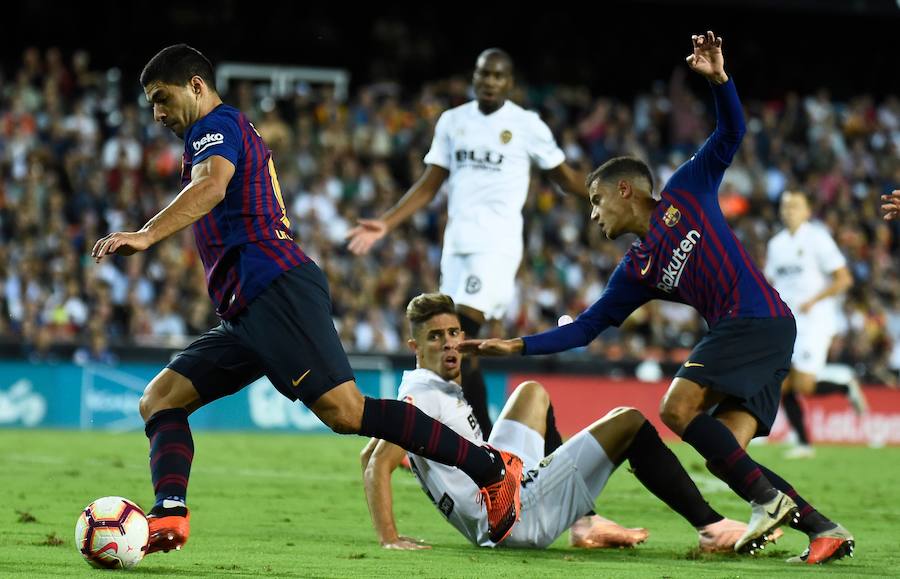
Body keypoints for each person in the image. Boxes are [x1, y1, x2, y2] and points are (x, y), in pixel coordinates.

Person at [89, 44, 523, 554]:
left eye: (162, 99)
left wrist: (145, 234)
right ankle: (169, 515)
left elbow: (211, 187)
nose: (157, 113)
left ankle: (491, 469)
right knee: (159, 400)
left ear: (197, 87)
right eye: (151, 104)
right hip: (243, 309)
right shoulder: (212, 134)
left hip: (275, 289)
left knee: (346, 412)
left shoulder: (216, 127)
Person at [459, 32, 854, 565]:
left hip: (757, 319)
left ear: (626, 190)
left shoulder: (685, 190)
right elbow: (586, 328)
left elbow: (732, 130)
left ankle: (766, 502)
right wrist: (517, 345)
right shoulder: (635, 269)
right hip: (757, 333)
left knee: (676, 407)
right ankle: (824, 530)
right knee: (726, 455)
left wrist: (720, 82)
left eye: (596, 201)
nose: (593, 214)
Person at [362, 293, 753, 552]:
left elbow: (368, 453)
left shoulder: (425, 387)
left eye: (453, 332)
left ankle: (584, 522)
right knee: (629, 421)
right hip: (510, 516)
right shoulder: (425, 397)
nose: (448, 343)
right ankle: (711, 527)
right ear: (415, 347)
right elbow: (378, 464)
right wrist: (389, 539)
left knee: (532, 392)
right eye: (434, 337)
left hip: (503, 482)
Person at [347, 48, 588, 438]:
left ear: (509, 82)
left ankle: (482, 443)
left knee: (458, 334)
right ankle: (491, 445)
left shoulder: (527, 125)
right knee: (455, 345)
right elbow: (431, 181)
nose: (489, 82)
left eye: (497, 76)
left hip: (496, 245)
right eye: (483, 74)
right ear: (474, 77)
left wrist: (607, 196)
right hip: (456, 246)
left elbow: (564, 177)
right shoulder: (453, 121)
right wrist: (386, 223)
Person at [765, 190, 864, 459]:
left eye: (795, 206)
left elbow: (843, 279)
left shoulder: (818, 239)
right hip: (788, 323)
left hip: (815, 321)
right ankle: (804, 443)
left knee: (803, 385)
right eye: (785, 206)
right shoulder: (776, 244)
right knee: (781, 382)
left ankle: (845, 387)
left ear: (807, 211)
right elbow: (771, 283)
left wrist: (813, 300)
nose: (789, 211)